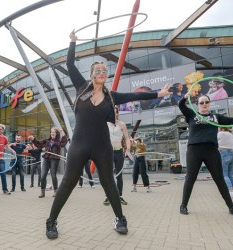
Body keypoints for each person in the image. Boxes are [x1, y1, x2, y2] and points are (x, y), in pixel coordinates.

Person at [42, 30, 172, 239]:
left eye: (104, 70)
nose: (101, 72)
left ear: (106, 75)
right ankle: (51, 221)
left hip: (102, 145)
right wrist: (72, 42)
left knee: (108, 182)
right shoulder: (81, 88)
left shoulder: (112, 96)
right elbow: (70, 65)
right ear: (92, 74)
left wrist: (159, 93)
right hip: (80, 144)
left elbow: (134, 94)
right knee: (67, 182)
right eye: (97, 69)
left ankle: (120, 219)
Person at [178, 90, 233, 217]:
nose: (204, 104)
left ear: (209, 104)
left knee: (219, 179)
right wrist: (185, 97)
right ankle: (183, 205)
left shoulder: (216, 117)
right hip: (194, 150)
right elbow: (181, 105)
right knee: (190, 178)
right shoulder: (191, 114)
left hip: (211, 150)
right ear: (198, 104)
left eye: (206, 102)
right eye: (202, 102)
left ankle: (232, 207)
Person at [104, 107, 133, 206]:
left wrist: (128, 150)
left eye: (115, 113)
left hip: (119, 151)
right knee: (108, 175)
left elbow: (127, 138)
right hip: (108, 152)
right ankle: (108, 196)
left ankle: (119, 196)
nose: (113, 114)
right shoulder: (106, 124)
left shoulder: (122, 125)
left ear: (117, 114)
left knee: (119, 175)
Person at [28, 127, 68, 198]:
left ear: (56, 134)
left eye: (54, 132)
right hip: (46, 158)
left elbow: (64, 142)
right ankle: (42, 193)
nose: (52, 133)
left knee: (53, 176)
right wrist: (33, 138)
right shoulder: (47, 141)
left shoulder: (58, 142)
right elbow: (39, 144)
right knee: (43, 176)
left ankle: (56, 191)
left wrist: (61, 132)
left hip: (54, 159)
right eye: (51, 132)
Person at [218, 127, 233, 198]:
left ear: (222, 128)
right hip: (232, 153)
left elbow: (213, 140)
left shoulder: (220, 134)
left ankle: (230, 191)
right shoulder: (230, 134)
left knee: (224, 175)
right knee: (230, 174)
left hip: (224, 154)